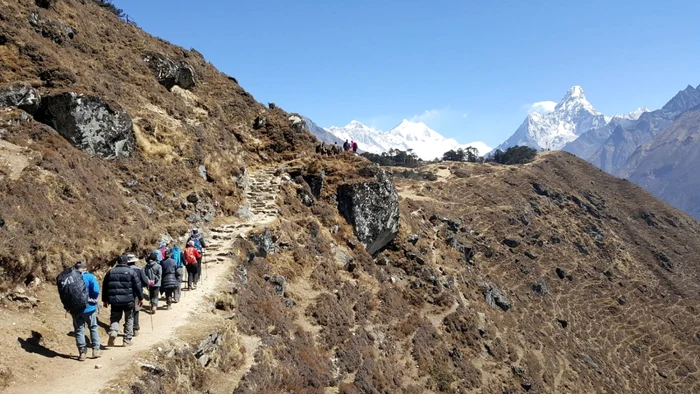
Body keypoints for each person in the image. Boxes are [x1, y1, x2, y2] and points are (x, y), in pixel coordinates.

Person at [102, 254, 143, 347]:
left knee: (115, 318)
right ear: (126, 262)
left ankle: (113, 331)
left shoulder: (110, 272)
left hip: (115, 301)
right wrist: (140, 298)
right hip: (129, 301)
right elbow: (137, 286)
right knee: (129, 319)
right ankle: (127, 340)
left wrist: (105, 300)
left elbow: (105, 287)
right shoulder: (131, 272)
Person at [126, 255, 148, 337]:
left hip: (127, 293)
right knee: (136, 310)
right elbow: (145, 281)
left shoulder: (126, 270)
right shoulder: (139, 270)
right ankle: (135, 328)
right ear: (135, 261)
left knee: (128, 311)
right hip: (137, 293)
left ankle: (128, 329)